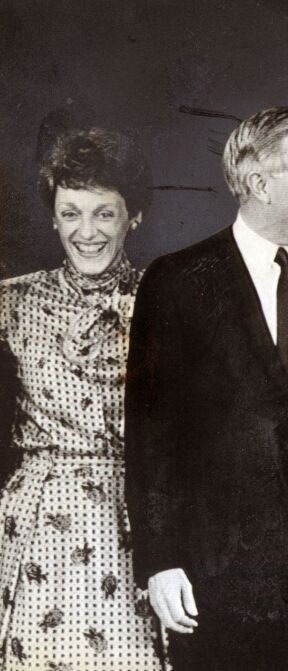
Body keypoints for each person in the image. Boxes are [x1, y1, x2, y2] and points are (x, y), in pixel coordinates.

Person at [124, 106, 288, 671]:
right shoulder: (177, 282)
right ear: (257, 183)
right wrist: (160, 560)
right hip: (216, 587)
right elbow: (151, 438)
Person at [0, 129, 162, 669]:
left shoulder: (166, 302)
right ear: (53, 217)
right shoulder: (12, 302)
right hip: (35, 528)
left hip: (133, 523)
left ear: (133, 216)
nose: (85, 232)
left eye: (104, 214)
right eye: (71, 213)